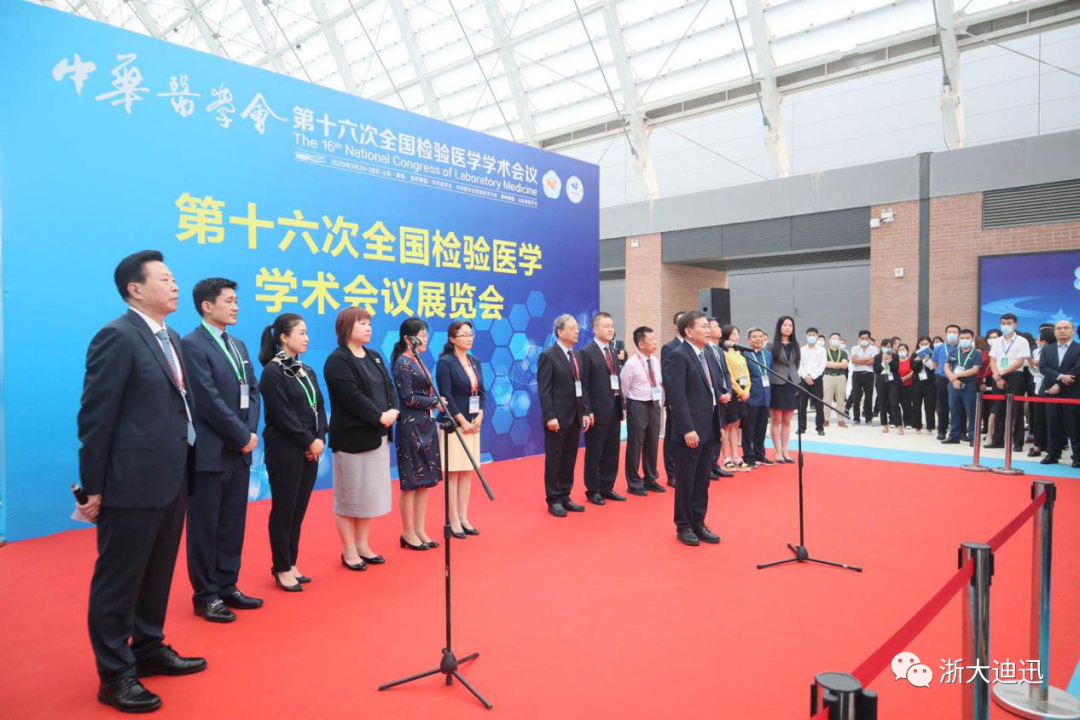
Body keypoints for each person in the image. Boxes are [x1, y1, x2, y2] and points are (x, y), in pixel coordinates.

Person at [78, 250, 206, 713]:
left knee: (157, 570)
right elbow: (96, 416)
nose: (175, 286)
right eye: (165, 279)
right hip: (130, 481)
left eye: (174, 278)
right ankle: (115, 675)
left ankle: (148, 647)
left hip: (172, 475)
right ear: (135, 289)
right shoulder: (116, 336)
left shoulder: (170, 337)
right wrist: (92, 485)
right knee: (120, 578)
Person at [182, 278, 263, 623]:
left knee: (232, 523)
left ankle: (228, 585)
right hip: (210, 451)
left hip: (239, 450)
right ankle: (206, 595)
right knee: (205, 526)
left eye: (236, 301)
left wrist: (248, 433)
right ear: (207, 306)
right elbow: (206, 399)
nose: (235, 307)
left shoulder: (238, 344)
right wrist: (238, 434)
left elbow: (253, 391)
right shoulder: (191, 344)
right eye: (229, 301)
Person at [323, 307, 399, 570]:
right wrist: (379, 416)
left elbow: (389, 386)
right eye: (362, 323)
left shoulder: (374, 356)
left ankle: (363, 545)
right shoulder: (337, 360)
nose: (368, 328)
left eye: (369, 323)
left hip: (377, 436)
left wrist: (394, 410)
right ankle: (349, 550)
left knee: (368, 495)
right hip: (352, 439)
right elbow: (352, 397)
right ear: (346, 328)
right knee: (349, 498)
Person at [259, 313, 327, 591]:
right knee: (284, 509)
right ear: (284, 338)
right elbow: (282, 415)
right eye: (301, 333)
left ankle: (291, 561)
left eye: (307, 332)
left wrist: (319, 438)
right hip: (285, 448)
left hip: (310, 448)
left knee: (298, 509)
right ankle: (281, 566)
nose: (307, 338)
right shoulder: (272, 372)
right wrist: (308, 441)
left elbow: (319, 406)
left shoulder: (305, 369)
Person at [664, 311, 727, 547]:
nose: (708, 330)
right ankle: (684, 525)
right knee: (686, 480)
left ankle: (698, 522)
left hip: (709, 427)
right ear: (689, 331)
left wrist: (718, 424)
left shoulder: (708, 353)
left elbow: (712, 390)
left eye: (708, 326)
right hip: (690, 431)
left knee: (702, 480)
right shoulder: (678, 356)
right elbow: (677, 396)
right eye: (703, 327)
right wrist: (687, 429)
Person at [391, 318, 442, 549]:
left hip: (426, 424)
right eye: (421, 334)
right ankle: (408, 532)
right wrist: (435, 402)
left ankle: (420, 529)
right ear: (407, 338)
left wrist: (434, 403)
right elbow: (407, 398)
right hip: (411, 426)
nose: (425, 338)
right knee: (411, 482)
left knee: (424, 481)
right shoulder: (403, 363)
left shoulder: (418, 360)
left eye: (426, 334)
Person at [537, 314, 593, 517]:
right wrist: (550, 416)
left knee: (570, 456)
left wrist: (585, 411)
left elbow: (582, 386)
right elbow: (544, 390)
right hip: (557, 418)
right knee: (555, 458)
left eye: (577, 327)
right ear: (560, 332)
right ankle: (553, 499)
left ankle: (565, 495)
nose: (577, 331)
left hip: (575, 416)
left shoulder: (577, 355)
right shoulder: (548, 355)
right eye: (572, 328)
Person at [435, 319, 486, 537]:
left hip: (473, 424)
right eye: (464, 334)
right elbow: (445, 395)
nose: (469, 338)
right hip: (454, 425)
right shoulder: (445, 362)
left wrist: (480, 415)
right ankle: (452, 518)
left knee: (467, 471)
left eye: (470, 334)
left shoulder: (475, 361)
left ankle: (464, 516)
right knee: (454, 472)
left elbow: (481, 392)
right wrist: (461, 421)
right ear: (452, 339)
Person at [580, 312, 627, 504]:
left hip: (614, 409)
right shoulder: (586, 352)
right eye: (605, 326)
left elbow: (616, 380)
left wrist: (622, 405)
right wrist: (587, 410)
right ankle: (593, 490)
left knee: (612, 451)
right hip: (596, 411)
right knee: (595, 452)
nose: (610, 329)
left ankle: (607, 487)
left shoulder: (613, 352)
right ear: (595, 329)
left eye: (612, 326)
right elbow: (583, 385)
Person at [620, 326, 666, 495]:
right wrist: (626, 406)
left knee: (652, 442)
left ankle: (650, 478)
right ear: (641, 344)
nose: (655, 342)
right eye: (651, 339)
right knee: (635, 444)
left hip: (654, 404)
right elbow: (624, 387)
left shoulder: (654, 360)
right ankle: (633, 482)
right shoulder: (631, 364)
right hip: (638, 405)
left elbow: (658, 382)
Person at [986, 314, 1032, 452]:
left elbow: (1020, 362)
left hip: (1015, 376)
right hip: (997, 376)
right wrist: (997, 376)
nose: (1005, 326)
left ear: (1015, 324)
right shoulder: (997, 341)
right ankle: (998, 440)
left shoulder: (1022, 341)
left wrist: (1001, 373)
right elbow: (992, 360)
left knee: (1016, 411)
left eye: (1008, 323)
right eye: (1003, 323)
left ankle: (1017, 442)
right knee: (998, 409)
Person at [1039, 320, 1080, 467]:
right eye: (1059, 328)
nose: (1062, 331)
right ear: (1055, 332)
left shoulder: (1078, 348)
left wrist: (1059, 384)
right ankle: (1053, 454)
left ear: (1072, 331)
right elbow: (1043, 367)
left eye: (1066, 328)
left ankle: (1077, 457)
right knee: (1053, 425)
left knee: (1074, 426)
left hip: (1073, 393)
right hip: (1052, 393)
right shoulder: (1047, 349)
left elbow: (1077, 369)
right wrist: (1060, 377)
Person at [768, 316, 800, 463]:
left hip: (792, 383)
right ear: (779, 327)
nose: (788, 328)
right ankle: (777, 451)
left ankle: (785, 450)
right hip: (776, 384)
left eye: (790, 325)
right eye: (785, 325)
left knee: (787, 420)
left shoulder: (795, 345)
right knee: (776, 420)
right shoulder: (771, 345)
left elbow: (796, 364)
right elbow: (768, 365)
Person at [661, 311, 687, 488]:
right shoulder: (670, 347)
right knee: (672, 438)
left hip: (691, 401)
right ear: (676, 326)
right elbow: (667, 376)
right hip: (675, 401)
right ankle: (672, 474)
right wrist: (671, 400)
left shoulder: (696, 346)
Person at [942, 329, 982, 445]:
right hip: (953, 386)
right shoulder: (954, 352)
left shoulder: (977, 353)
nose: (964, 340)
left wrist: (957, 375)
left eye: (967, 338)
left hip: (969, 386)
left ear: (972, 339)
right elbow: (946, 366)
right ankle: (954, 436)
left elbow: (975, 369)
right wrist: (953, 379)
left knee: (971, 412)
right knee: (954, 411)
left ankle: (973, 437)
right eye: (962, 338)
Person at [706, 318, 735, 478]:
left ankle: (714, 464)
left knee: (720, 431)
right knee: (712, 431)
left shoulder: (719, 349)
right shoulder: (705, 350)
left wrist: (729, 391)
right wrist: (718, 395)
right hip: (713, 397)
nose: (720, 329)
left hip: (725, 395)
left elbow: (726, 373)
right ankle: (708, 466)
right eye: (716, 326)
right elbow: (708, 376)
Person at [720, 325, 751, 471]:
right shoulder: (724, 353)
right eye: (733, 334)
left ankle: (735, 455)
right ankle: (726, 457)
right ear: (726, 336)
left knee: (736, 425)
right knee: (728, 425)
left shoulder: (740, 353)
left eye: (737, 334)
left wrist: (747, 391)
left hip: (743, 391)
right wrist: (739, 391)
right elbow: (729, 376)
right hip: (732, 391)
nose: (736, 337)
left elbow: (746, 374)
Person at [742, 328, 773, 466]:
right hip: (752, 396)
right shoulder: (744, 354)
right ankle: (748, 456)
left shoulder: (768, 354)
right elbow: (742, 375)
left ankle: (760, 454)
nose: (758, 339)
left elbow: (769, 373)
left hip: (765, 396)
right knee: (749, 429)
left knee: (762, 428)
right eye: (754, 337)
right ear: (749, 340)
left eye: (760, 336)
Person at [932, 325, 961, 440]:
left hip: (958, 378)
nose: (952, 334)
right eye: (949, 332)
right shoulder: (939, 348)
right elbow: (935, 363)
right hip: (942, 378)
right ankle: (942, 430)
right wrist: (941, 371)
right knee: (942, 406)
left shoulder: (962, 347)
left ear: (958, 334)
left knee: (958, 405)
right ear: (946, 334)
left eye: (954, 332)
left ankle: (960, 431)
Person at [1027, 327, 1053, 458]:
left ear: (1045, 341)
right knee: (1038, 417)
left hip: (1051, 385)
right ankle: (1037, 445)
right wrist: (1032, 366)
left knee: (1051, 418)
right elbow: (1034, 371)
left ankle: (1051, 447)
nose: (1038, 341)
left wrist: (1040, 367)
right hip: (1037, 385)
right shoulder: (1036, 351)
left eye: (1040, 339)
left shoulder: (1053, 351)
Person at [797, 326, 826, 436]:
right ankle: (801, 427)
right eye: (810, 335)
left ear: (817, 336)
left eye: (814, 335)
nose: (811, 337)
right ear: (806, 336)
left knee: (819, 404)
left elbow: (822, 366)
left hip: (817, 379)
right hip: (803, 379)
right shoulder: (801, 350)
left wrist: (812, 376)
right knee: (802, 404)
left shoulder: (822, 350)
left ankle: (820, 427)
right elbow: (799, 366)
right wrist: (806, 376)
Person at [874, 338, 903, 434]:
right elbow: (876, 370)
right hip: (881, 382)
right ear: (881, 347)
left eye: (889, 347)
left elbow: (896, 369)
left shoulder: (895, 356)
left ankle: (899, 426)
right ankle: (885, 425)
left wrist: (890, 360)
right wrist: (883, 362)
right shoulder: (877, 357)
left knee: (894, 403)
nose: (887, 348)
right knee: (882, 404)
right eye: (885, 346)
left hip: (893, 382)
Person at [849, 330, 877, 424]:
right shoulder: (854, 348)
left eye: (866, 338)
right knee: (856, 396)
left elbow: (872, 362)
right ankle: (856, 418)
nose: (864, 340)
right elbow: (854, 360)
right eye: (862, 338)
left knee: (869, 397)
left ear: (869, 339)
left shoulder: (874, 349)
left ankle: (868, 418)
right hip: (857, 374)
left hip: (869, 374)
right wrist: (867, 358)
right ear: (859, 339)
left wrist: (860, 360)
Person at [822, 333, 848, 428]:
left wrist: (831, 364)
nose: (835, 340)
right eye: (833, 338)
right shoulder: (824, 352)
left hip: (840, 377)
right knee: (827, 399)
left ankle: (840, 420)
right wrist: (838, 364)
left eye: (837, 339)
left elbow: (844, 365)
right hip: (828, 376)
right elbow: (824, 364)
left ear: (840, 341)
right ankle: (826, 419)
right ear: (829, 340)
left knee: (841, 399)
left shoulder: (843, 352)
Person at [911, 336, 936, 434]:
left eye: (926, 344)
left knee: (929, 405)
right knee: (916, 404)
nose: (924, 346)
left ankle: (930, 426)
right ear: (918, 344)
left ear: (930, 344)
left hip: (930, 382)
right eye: (922, 344)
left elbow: (933, 367)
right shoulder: (915, 354)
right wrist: (918, 360)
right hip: (917, 382)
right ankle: (917, 426)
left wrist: (928, 360)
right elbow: (913, 367)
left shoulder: (933, 353)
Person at [897, 343, 915, 429]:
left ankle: (908, 422)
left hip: (908, 385)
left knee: (906, 405)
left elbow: (913, 371)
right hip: (896, 385)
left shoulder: (910, 360)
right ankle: (895, 421)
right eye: (899, 350)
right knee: (894, 404)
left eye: (903, 349)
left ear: (907, 351)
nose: (901, 351)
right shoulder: (895, 360)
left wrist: (904, 378)